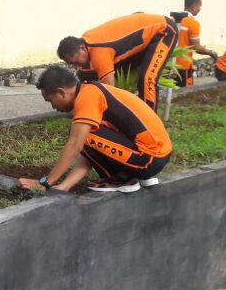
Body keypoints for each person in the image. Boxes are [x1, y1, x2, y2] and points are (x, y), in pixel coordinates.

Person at [17, 65, 172, 194]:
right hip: (157, 155)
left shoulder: (87, 97)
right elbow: (92, 151)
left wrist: (44, 183)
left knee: (80, 134)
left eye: (50, 101)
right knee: (84, 134)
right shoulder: (91, 90)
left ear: (61, 92)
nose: (53, 107)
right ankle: (132, 176)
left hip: (149, 158)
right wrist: (65, 186)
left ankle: (122, 179)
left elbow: (76, 144)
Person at [57, 13, 179, 111]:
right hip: (139, 32)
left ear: (82, 48)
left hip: (163, 30)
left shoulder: (99, 53)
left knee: (147, 79)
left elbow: (110, 92)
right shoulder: (85, 39)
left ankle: (150, 124)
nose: (77, 67)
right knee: (86, 74)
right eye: (72, 65)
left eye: (75, 62)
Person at [170, 0, 218, 87]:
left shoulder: (172, 19)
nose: (200, 9)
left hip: (169, 65)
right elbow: (197, 48)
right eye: (199, 6)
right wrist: (211, 53)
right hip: (183, 67)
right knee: (182, 95)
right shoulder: (193, 23)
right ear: (194, 6)